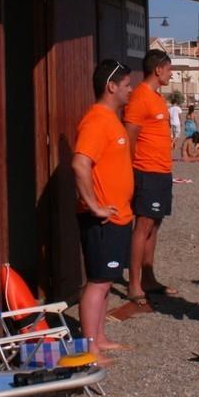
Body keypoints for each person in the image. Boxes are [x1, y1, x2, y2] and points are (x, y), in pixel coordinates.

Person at [72, 59, 135, 357]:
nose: (130, 90)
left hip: (119, 215)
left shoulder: (111, 119)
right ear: (111, 86)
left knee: (107, 281)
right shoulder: (97, 120)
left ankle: (100, 337)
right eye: (126, 85)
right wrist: (94, 206)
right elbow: (80, 163)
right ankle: (90, 347)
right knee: (97, 282)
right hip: (103, 220)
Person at [123, 49, 177, 307]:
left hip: (162, 170)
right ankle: (134, 284)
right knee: (143, 225)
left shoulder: (156, 98)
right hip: (146, 170)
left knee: (154, 225)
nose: (170, 73)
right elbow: (129, 138)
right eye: (169, 68)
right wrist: (129, 173)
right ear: (158, 69)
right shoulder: (139, 97)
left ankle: (148, 276)